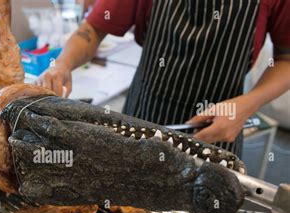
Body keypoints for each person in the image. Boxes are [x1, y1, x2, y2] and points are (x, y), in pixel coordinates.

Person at [36, 0, 290, 156]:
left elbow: (286, 60)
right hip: (143, 118)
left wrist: (249, 104)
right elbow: (93, 28)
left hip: (218, 130)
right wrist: (62, 65)